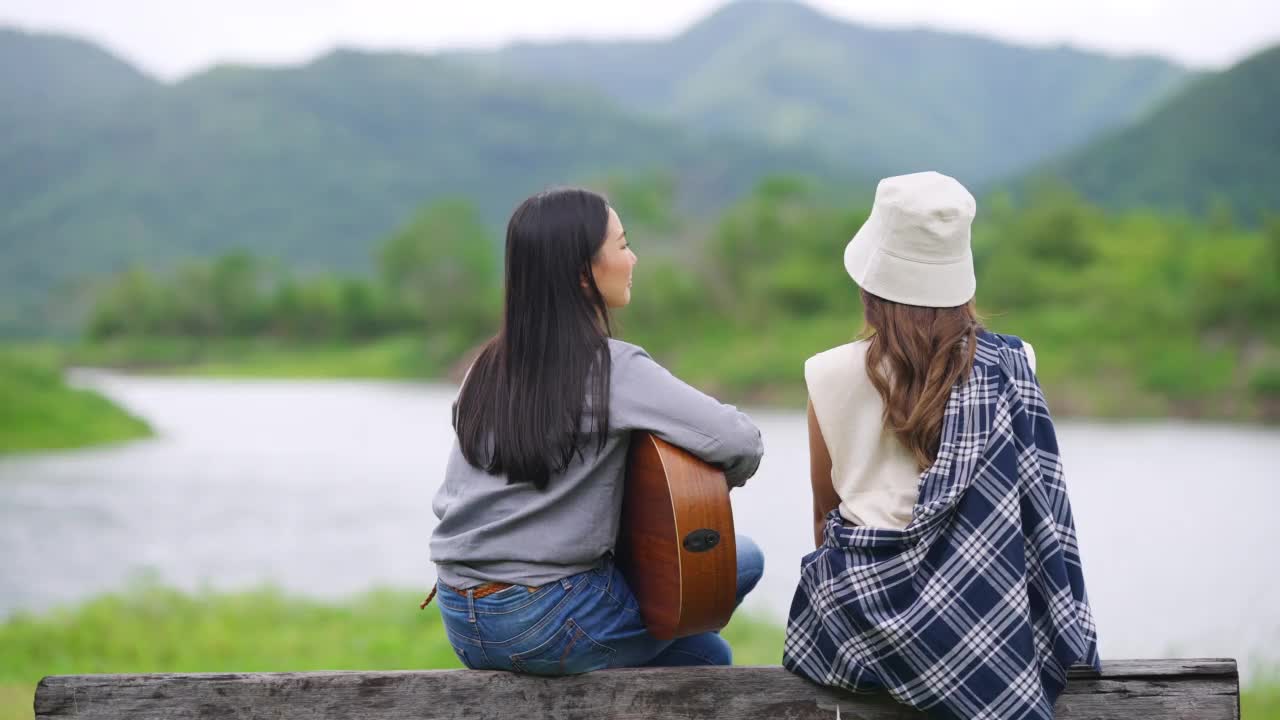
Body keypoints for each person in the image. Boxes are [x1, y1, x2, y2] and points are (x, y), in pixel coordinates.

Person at [783, 171, 1099, 719]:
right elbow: (1038, 516)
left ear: (870, 282)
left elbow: (824, 517)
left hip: (864, 632)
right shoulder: (1013, 364)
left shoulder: (826, 374)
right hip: (983, 626)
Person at [427, 187, 765, 674]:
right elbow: (740, 440)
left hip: (461, 615)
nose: (634, 258)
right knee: (742, 559)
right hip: (543, 619)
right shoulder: (613, 369)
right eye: (623, 246)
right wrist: (704, 477)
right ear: (583, 274)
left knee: (704, 657)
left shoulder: (485, 365)